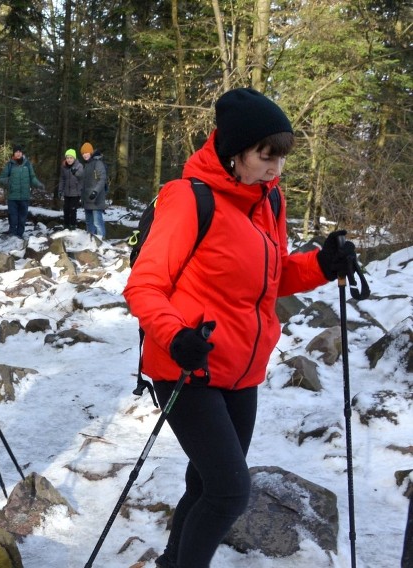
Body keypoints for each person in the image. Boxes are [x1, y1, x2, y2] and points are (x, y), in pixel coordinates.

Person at [123, 87, 357, 568]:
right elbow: (144, 285)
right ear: (234, 153)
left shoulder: (268, 201)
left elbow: (273, 278)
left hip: (242, 370)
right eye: (264, 157)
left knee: (206, 485)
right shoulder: (188, 200)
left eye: (281, 159)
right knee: (229, 493)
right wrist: (176, 335)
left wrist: (323, 264)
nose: (275, 170)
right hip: (187, 365)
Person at [0, 144, 44, 237]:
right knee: (13, 218)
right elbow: (1, 178)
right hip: (12, 197)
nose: (18, 154)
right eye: (16, 152)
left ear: (22, 153)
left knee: (22, 219)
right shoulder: (10, 164)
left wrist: (38, 184)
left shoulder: (27, 164)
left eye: (19, 152)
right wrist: (9, 181)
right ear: (14, 154)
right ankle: (12, 235)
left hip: (24, 197)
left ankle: (19, 236)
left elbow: (32, 177)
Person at [80, 142, 107, 238]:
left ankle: (101, 242)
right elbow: (84, 181)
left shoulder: (98, 163)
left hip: (96, 198)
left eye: (86, 153)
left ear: (91, 152)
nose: (84, 155)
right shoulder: (86, 165)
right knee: (89, 222)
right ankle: (90, 241)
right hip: (87, 198)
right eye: (83, 153)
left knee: (97, 222)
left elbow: (102, 179)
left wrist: (95, 192)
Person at [58, 148, 83, 228]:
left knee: (73, 209)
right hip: (66, 192)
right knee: (66, 209)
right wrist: (60, 190)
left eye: (71, 158)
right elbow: (62, 179)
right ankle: (66, 225)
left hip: (75, 192)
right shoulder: (64, 167)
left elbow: (81, 176)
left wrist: (75, 172)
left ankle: (73, 225)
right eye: (67, 158)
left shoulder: (79, 166)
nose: (69, 160)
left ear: (74, 158)